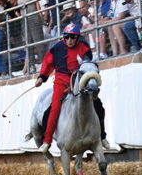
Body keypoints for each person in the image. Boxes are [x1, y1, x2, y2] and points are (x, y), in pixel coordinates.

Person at [34, 23, 109, 154]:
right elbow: (48, 63)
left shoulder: (84, 47)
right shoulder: (56, 48)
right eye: (67, 37)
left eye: (73, 37)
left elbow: (87, 62)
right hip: (61, 82)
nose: (69, 40)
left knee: (98, 104)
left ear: (77, 38)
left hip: (79, 81)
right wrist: (42, 77)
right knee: (54, 109)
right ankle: (47, 141)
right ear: (64, 37)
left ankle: (102, 136)